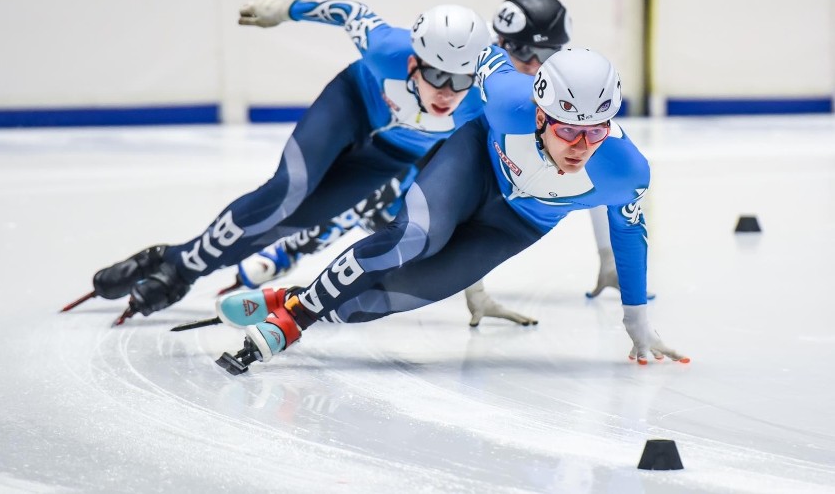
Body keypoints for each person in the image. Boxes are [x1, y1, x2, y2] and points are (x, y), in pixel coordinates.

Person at [214, 46, 689, 375]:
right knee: (414, 237)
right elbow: (484, 54)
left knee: (387, 298)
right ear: (540, 114)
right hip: (473, 166)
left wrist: (636, 320)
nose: (581, 147)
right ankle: (293, 319)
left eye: (596, 132)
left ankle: (294, 298)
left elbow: (630, 234)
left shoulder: (627, 171)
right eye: (568, 131)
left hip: (514, 224)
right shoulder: (507, 100)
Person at [221, 0, 642, 327]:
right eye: (527, 55)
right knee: (382, 211)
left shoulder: (547, 95)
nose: (536, 66)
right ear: (500, 45)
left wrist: (607, 256)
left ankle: (295, 288)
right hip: (421, 164)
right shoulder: (478, 78)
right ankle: (280, 262)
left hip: (452, 174)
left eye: (548, 56)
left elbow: (580, 182)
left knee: (404, 239)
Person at [83, 0, 492, 322]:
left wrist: (476, 283)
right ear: (411, 63)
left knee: (292, 223)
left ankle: (167, 260)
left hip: (390, 155)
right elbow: (351, 13)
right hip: (351, 105)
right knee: (287, 191)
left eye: (461, 80)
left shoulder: (488, 99)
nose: (448, 92)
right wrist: (282, 10)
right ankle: (182, 273)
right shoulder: (386, 47)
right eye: (437, 76)